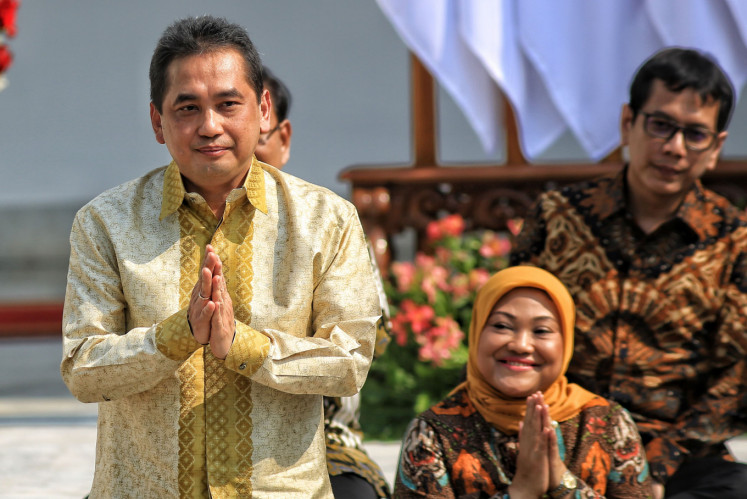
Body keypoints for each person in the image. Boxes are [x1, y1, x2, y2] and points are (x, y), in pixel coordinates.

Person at [61, 16, 381, 498]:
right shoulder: (105, 223)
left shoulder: (325, 220)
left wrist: (243, 345)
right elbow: (82, 369)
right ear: (157, 121)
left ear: (264, 110)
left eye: (228, 104)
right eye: (187, 108)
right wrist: (176, 336)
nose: (209, 127)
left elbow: (350, 361)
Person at [511, 47, 747, 499]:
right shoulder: (558, 217)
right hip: (558, 433)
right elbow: (509, 328)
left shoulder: (734, 241)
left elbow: (737, 380)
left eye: (695, 134)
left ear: (716, 147)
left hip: (677, 455)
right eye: (661, 125)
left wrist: (651, 471)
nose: (674, 147)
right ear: (628, 123)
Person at [394, 266, 652, 498]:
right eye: (502, 326)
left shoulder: (608, 423)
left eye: (541, 331)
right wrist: (521, 491)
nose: (521, 345)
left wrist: (562, 482)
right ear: (477, 332)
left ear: (566, 342)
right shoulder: (433, 432)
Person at [254, 65, 392, 499]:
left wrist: (250, 342)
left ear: (283, 138)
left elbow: (366, 342)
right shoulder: (163, 229)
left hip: (319, 435)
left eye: (258, 137)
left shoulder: (327, 223)